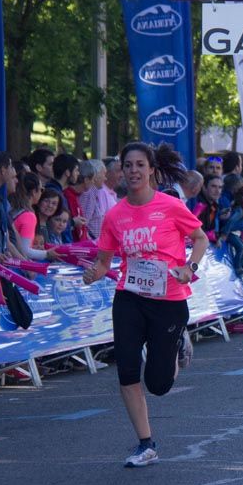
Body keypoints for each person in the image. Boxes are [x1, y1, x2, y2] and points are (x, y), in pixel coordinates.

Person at [83, 142, 209, 468]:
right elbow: (104, 261)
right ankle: (145, 444)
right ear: (121, 171)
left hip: (168, 301)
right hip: (130, 297)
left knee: (159, 384)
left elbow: (200, 239)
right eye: (128, 165)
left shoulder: (170, 206)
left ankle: (177, 342)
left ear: (151, 169)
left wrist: (188, 269)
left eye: (140, 165)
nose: (134, 171)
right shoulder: (114, 215)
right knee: (126, 370)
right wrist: (94, 273)